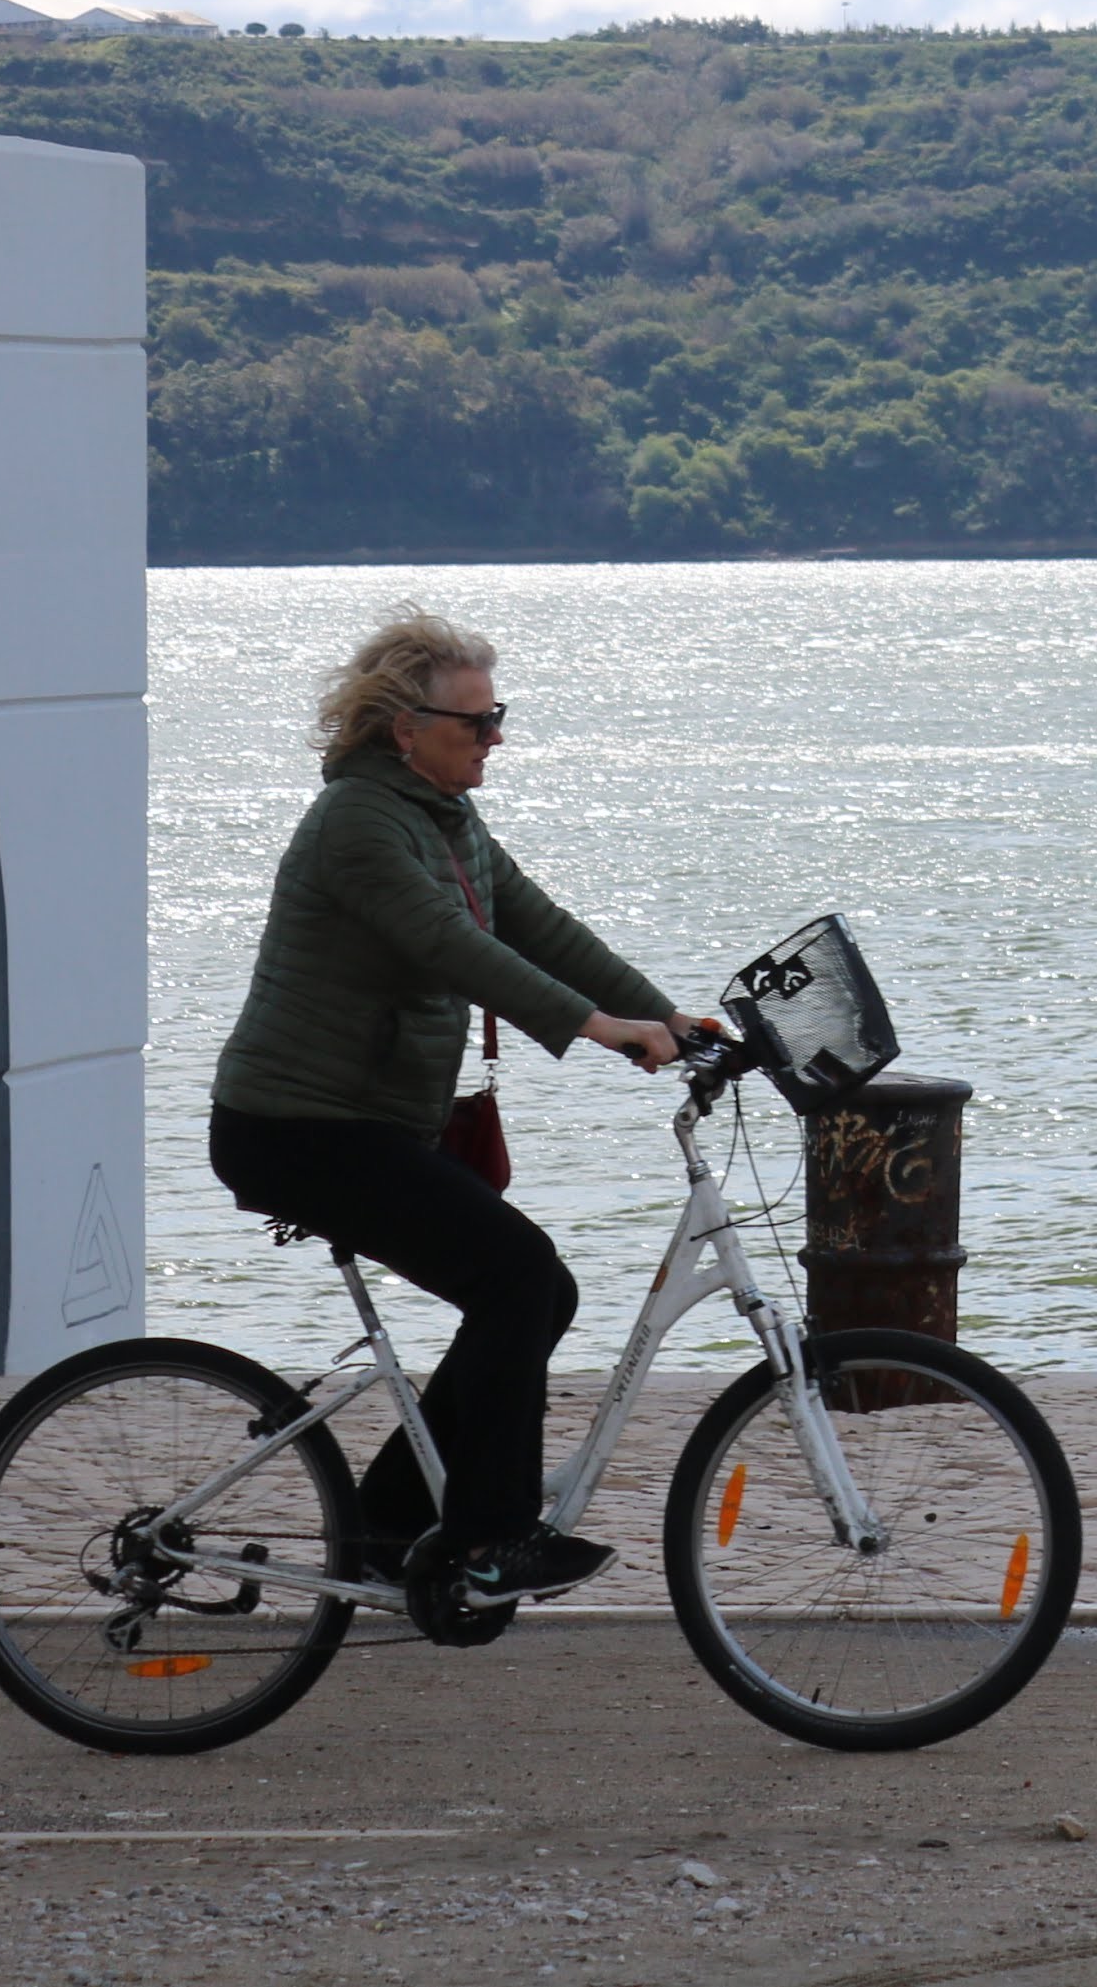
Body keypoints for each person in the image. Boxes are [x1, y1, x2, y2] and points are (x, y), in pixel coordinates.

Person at [208, 610, 692, 1604]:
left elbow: (534, 923)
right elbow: (448, 944)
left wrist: (664, 1013)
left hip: (365, 1125)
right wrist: (596, 1029)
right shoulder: (356, 822)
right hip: (296, 1128)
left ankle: (391, 1525)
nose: (495, 737)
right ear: (404, 730)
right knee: (519, 1279)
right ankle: (488, 1537)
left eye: (496, 716)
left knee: (533, 1293)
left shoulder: (446, 817)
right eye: (475, 722)